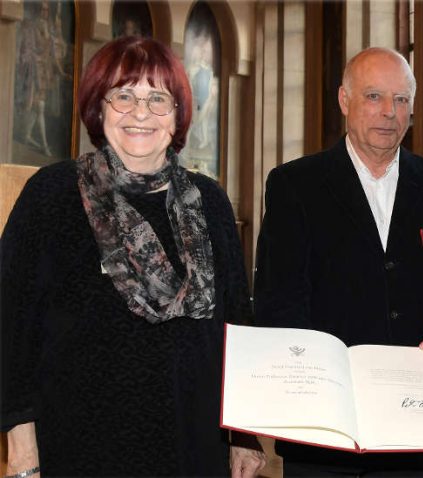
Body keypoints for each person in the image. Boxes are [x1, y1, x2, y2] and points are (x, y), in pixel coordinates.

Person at [1, 36, 266, 477]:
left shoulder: (211, 203)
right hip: (77, 443)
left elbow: (236, 327)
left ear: (178, 113)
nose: (140, 113)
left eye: (157, 98)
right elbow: (10, 322)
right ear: (97, 107)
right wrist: (19, 436)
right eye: (123, 95)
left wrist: (243, 436)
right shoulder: (51, 195)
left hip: (193, 444)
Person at [254, 47, 423, 476]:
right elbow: (278, 299)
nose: (388, 113)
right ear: (344, 100)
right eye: (374, 96)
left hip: (411, 422)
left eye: (401, 100)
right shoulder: (294, 185)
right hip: (322, 425)